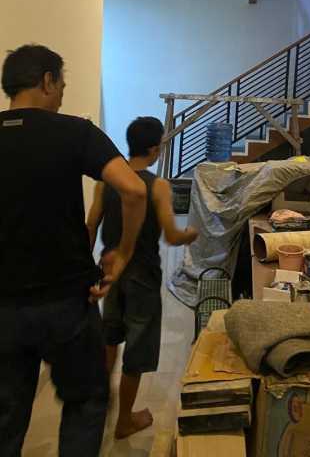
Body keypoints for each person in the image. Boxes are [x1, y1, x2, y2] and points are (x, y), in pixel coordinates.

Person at [0, 44, 147, 457]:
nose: (62, 96)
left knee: (6, 416)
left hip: (3, 307)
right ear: (47, 81)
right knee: (85, 404)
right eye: (61, 86)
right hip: (66, 303)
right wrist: (122, 253)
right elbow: (134, 190)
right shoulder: (75, 132)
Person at [86, 116, 198, 440]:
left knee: (110, 338)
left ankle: (99, 406)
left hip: (110, 274)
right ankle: (124, 421)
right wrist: (192, 234)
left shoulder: (105, 182)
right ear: (153, 149)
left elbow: (90, 225)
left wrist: (86, 268)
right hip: (143, 276)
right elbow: (172, 236)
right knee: (136, 351)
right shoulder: (157, 186)